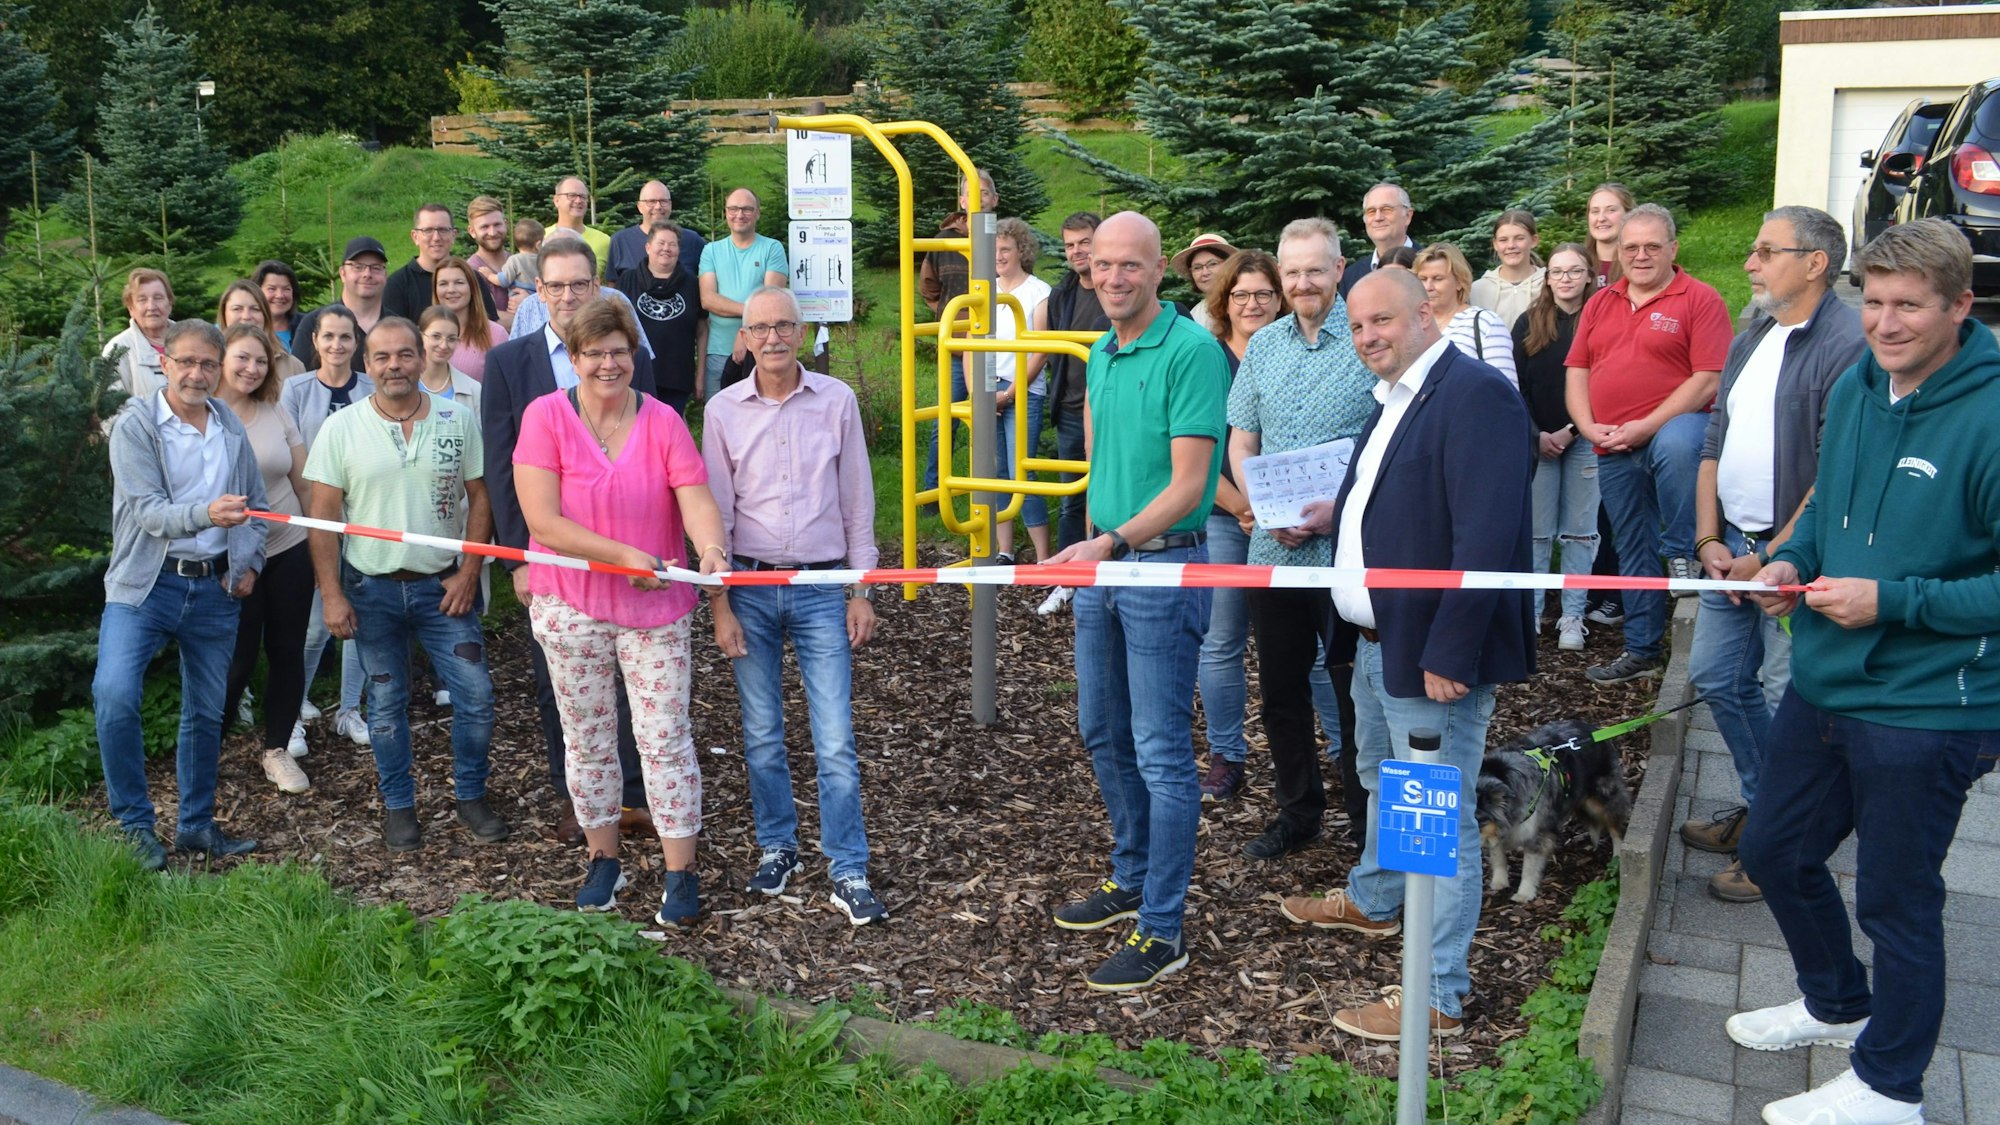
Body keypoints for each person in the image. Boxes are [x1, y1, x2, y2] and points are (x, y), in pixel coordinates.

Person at [1729, 218, 2000, 1125]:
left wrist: (1893, 601)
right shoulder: (1856, 386)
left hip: (1929, 703)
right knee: (1773, 849)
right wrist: (1784, 561)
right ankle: (1837, 1003)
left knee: (1897, 897)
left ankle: (1893, 1088)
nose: (1886, 324)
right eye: (1873, 302)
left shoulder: (1992, 412)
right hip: (1826, 676)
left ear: (1961, 305)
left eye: (1909, 306)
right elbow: (1822, 510)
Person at [1281, 268, 1535, 1042]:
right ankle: (1377, 897)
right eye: (1358, 327)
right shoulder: (1394, 396)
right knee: (1379, 780)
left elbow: (1485, 536)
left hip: (1431, 651)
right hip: (1374, 640)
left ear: (1427, 313)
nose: (1368, 338)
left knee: (1437, 817)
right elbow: (1397, 495)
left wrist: (1452, 650)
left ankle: (1438, 993)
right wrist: (1339, 511)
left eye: (1381, 321)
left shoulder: (1474, 394)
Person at [1044, 212, 1228, 991]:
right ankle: (1132, 874)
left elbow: (1191, 485)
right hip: (1106, 567)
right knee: (1101, 729)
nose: (1112, 278)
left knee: (1160, 750)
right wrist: (1092, 540)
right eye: (1101, 266)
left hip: (1161, 569)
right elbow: (1099, 462)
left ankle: (1164, 926)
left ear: (1161, 271)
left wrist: (1111, 542)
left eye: (1130, 265)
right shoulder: (1100, 350)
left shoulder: (1190, 352)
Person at [514, 298, 728, 922]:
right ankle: (603, 860)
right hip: (570, 603)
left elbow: (696, 498)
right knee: (587, 741)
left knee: (665, 740)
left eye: (619, 351)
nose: (608, 363)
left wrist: (710, 548)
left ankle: (680, 872)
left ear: (634, 355)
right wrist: (624, 555)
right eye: (595, 353)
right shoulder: (546, 417)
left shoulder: (662, 421)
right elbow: (543, 523)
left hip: (654, 607)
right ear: (574, 358)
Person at [1683, 206, 1865, 905]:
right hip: (1732, 550)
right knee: (1718, 678)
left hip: (1795, 564)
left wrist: (1774, 555)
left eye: (1766, 251)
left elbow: (1833, 470)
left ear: (1816, 262)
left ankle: (1780, 847)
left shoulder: (1846, 343)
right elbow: (1713, 443)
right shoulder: (1753, 330)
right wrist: (1709, 541)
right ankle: (1767, 814)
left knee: (1790, 702)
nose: (1750, 262)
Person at [703, 287, 888, 927]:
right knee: (761, 735)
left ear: (802, 331)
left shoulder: (836, 401)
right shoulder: (723, 410)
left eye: (785, 325)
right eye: (761, 328)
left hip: (821, 587)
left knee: (834, 737)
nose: (774, 337)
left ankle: (848, 865)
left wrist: (861, 589)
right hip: (749, 587)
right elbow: (715, 517)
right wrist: (720, 605)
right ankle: (778, 847)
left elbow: (858, 500)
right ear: (744, 338)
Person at [304, 316, 510, 853]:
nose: (393, 365)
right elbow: (323, 518)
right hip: (371, 589)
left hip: (444, 588)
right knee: (387, 706)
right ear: (366, 365)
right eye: (381, 357)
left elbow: (480, 494)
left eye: (404, 355)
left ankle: (470, 796)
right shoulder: (342, 429)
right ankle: (399, 805)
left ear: (422, 358)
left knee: (476, 696)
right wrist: (332, 593)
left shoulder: (457, 417)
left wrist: (470, 570)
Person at [484, 237, 663, 843]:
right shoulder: (511, 364)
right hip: (550, 553)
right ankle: (580, 801)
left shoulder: (628, 354)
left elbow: (654, 451)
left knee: (640, 685)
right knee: (559, 683)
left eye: (579, 284)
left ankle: (636, 797)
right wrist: (518, 556)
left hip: (630, 550)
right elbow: (501, 464)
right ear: (539, 292)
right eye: (555, 286)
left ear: (598, 287)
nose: (567, 296)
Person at [1224, 221, 1376, 848]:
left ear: (1340, 269)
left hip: (1347, 545)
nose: (1303, 283)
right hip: (1274, 548)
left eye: (1315, 270)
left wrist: (1335, 510)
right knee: (1282, 689)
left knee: (1354, 689)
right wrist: (1260, 506)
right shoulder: (1264, 347)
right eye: (1292, 273)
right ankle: (1298, 813)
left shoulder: (1367, 339)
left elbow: (1389, 441)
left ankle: (1367, 821)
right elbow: (1241, 438)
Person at [95, 319, 267, 870]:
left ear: (220, 371)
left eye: (208, 364)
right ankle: (134, 825)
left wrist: (250, 561)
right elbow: (146, 512)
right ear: (163, 363)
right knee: (115, 693)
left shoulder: (229, 428)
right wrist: (206, 513)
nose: (197, 373)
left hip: (215, 587)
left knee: (206, 710)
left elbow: (256, 507)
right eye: (186, 362)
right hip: (145, 585)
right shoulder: (136, 425)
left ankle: (195, 826)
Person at [1565, 204, 1733, 684]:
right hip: (1612, 443)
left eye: (1652, 246)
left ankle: (1684, 551)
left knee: (1680, 437)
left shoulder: (1698, 299)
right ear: (1618, 251)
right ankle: (1641, 650)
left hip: (1676, 437)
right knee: (1631, 544)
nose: (1640, 255)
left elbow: (1707, 380)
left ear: (1673, 249)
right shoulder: (1601, 302)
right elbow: (1578, 369)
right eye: (1631, 246)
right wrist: (1588, 425)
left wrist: (1646, 425)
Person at [213, 323, 314, 793]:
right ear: (222, 358)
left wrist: (320, 541)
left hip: (288, 547)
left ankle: (276, 749)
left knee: (287, 651)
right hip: (229, 556)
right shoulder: (202, 415)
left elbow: (303, 482)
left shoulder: (275, 410)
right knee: (236, 660)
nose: (252, 369)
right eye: (243, 358)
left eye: (261, 361)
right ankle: (206, 749)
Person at [281, 307, 374, 744]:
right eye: (329, 337)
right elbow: (289, 451)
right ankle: (292, 709)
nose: (337, 346)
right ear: (314, 341)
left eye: (346, 337)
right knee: (318, 622)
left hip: (365, 518)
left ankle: (350, 708)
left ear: (357, 344)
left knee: (358, 619)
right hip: (316, 517)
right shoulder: (295, 390)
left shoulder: (372, 389)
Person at [1511, 243, 1602, 652]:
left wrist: (1572, 430)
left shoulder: (1602, 320)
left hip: (1584, 439)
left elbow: (1606, 383)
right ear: (1546, 278)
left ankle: (1572, 615)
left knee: (1581, 533)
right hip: (1538, 443)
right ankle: (1529, 614)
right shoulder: (1528, 323)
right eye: (1558, 271)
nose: (1566, 278)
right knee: (1536, 534)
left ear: (1589, 276)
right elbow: (1515, 387)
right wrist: (1537, 434)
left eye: (1574, 271)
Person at [1032, 211, 1110, 615]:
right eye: (1070, 244)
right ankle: (1067, 580)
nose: (1078, 251)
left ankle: (1106, 575)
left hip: (1109, 411)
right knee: (1070, 499)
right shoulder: (1062, 295)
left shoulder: (1114, 289)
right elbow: (1044, 346)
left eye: (1085, 242)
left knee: (1109, 495)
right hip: (1069, 409)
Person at [918, 170, 999, 497]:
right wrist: (953, 319)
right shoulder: (943, 242)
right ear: (962, 201)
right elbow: (928, 286)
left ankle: (993, 491)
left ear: (995, 199)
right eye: (972, 194)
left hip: (997, 346)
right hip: (956, 347)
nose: (979, 199)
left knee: (993, 419)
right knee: (946, 419)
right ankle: (935, 491)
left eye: (985, 193)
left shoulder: (1002, 239)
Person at [990, 216, 1054, 565]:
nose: (999, 256)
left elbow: (1040, 349)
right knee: (998, 472)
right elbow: (971, 344)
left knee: (1020, 472)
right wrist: (979, 392)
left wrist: (1011, 393)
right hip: (989, 389)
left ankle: (1043, 556)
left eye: (1005, 249)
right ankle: (1005, 550)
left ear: (1021, 251)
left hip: (1023, 390)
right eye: (994, 249)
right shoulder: (984, 288)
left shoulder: (1038, 291)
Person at [700, 188, 790, 401]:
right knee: (719, 416)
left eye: (747, 209)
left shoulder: (772, 249)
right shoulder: (711, 251)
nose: (739, 214)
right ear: (726, 212)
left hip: (762, 350)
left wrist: (746, 334)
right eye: (733, 209)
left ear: (757, 213)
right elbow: (708, 299)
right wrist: (750, 317)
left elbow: (771, 302)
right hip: (718, 350)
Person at [614, 220, 707, 413]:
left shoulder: (692, 284)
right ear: (648, 247)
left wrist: (700, 375)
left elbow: (702, 330)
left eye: (672, 244)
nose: (666, 249)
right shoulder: (627, 281)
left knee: (669, 433)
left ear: (679, 250)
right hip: (635, 374)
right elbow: (614, 328)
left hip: (677, 377)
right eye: (661, 243)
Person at [1414, 243, 1517, 388]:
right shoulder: (1411, 325)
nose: (1428, 287)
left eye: (1438, 279)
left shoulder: (1485, 323)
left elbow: (1506, 392)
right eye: (1423, 279)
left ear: (1459, 282)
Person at [383, 204, 499, 324]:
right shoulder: (397, 285)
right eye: (428, 230)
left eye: (443, 230)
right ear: (415, 237)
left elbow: (490, 328)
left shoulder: (472, 278)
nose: (436, 238)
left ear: (453, 235)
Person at [292, 237, 390, 374]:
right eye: (358, 267)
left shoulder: (396, 327)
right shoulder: (313, 323)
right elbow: (299, 382)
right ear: (342, 273)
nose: (367, 274)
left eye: (376, 268)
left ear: (385, 275)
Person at [606, 180, 706, 280]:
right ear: (639, 207)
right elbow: (613, 288)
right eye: (651, 202)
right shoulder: (621, 241)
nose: (658, 206)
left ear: (670, 205)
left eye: (663, 201)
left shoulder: (692, 241)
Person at [431, 256, 509, 383]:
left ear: (472, 289)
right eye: (443, 284)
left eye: (459, 283)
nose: (451, 290)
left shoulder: (496, 335)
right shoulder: (424, 335)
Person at [1338, 183, 1421, 298]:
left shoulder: (1431, 266)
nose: (1378, 218)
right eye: (1371, 211)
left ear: (1408, 216)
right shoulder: (1350, 276)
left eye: (1386, 209)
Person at [104, 268, 173, 399]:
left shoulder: (192, 340)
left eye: (158, 298)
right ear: (131, 308)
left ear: (169, 303)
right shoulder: (117, 350)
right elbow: (112, 412)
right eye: (142, 300)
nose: (151, 306)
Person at [1469, 209, 1545, 329]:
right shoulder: (1477, 290)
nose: (1511, 246)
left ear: (1534, 241)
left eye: (1519, 238)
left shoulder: (1549, 284)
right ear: (1495, 244)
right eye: (1503, 240)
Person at [216, 279, 305, 380]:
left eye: (255, 309)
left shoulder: (292, 367)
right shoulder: (208, 361)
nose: (246, 316)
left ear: (265, 315)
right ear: (224, 314)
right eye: (237, 309)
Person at [417, 306, 482, 414]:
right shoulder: (402, 382)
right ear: (420, 336)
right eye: (436, 336)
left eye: (451, 339)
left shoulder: (473, 389)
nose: (444, 345)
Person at [465, 196, 516, 329]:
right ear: (472, 231)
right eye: (484, 227)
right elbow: (486, 319)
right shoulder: (470, 272)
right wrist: (530, 315)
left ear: (505, 224)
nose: (492, 232)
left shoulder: (520, 263)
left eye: (497, 225)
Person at [1169, 233, 1237, 331]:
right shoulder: (1195, 314)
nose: (1205, 272)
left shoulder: (1246, 304)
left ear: (1229, 266)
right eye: (1197, 268)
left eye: (1212, 264)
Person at [551, 177, 611, 269]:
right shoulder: (542, 238)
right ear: (556, 200)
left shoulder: (604, 241)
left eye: (583, 197)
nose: (578, 201)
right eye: (571, 195)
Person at [1585, 183, 1635, 288]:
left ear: (1629, 214)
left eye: (1611, 210)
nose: (1601, 218)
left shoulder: (1640, 265)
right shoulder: (1577, 264)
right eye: (1595, 211)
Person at [253, 260, 301, 352]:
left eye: (286, 289)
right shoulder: (243, 326)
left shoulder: (306, 326)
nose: (279, 295)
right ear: (256, 291)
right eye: (272, 289)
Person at [499, 219, 544, 299]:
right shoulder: (544, 260)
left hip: (518, 299)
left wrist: (489, 275)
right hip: (540, 297)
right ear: (538, 244)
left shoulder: (514, 259)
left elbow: (504, 280)